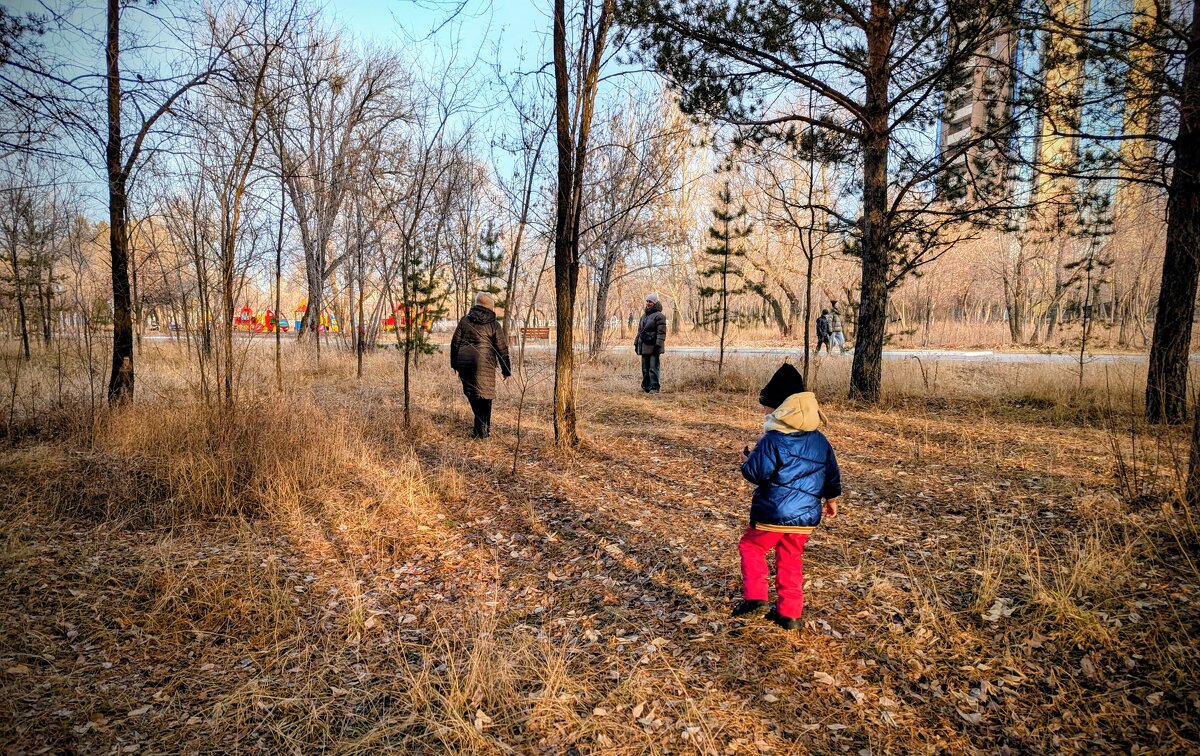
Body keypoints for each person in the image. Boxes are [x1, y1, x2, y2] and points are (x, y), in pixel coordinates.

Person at [733, 363, 841, 631]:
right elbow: (830, 471)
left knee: (752, 547)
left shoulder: (773, 439)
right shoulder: (820, 440)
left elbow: (757, 473)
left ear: (782, 407)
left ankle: (756, 598)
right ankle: (790, 614)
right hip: (805, 516)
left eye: (768, 406)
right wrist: (831, 499)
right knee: (790, 557)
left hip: (773, 512)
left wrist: (746, 462)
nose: (764, 411)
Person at [450, 293, 512, 439]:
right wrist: (506, 370)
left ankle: (480, 430)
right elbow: (501, 348)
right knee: (486, 397)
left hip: (464, 362)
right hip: (485, 363)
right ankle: (483, 430)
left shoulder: (465, 320)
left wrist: (455, 365)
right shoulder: (494, 324)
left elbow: (454, 343)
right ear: (489, 306)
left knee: (472, 394)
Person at [635, 292, 667, 393]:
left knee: (653, 368)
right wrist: (636, 343)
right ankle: (646, 387)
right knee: (645, 368)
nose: (648, 303)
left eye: (650, 301)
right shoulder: (644, 316)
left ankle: (654, 387)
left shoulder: (659, 316)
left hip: (654, 347)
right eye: (647, 301)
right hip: (644, 346)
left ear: (655, 302)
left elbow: (661, 332)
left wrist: (658, 345)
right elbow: (640, 331)